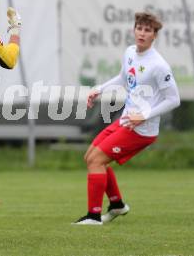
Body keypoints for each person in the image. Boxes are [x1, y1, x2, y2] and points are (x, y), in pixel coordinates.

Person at [73, 12, 181, 225]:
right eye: (139, 28)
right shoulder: (130, 52)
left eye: (147, 30)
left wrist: (144, 116)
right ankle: (117, 205)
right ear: (134, 30)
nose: (142, 33)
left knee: (96, 161)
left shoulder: (159, 65)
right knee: (91, 157)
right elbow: (124, 77)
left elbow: (174, 99)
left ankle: (94, 217)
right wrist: (100, 89)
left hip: (141, 130)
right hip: (126, 121)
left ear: (154, 36)